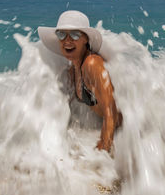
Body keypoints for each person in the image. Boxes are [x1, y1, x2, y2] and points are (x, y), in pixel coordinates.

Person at [38, 10, 122, 151]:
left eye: (75, 34)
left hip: (135, 132)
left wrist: (103, 146)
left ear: (86, 40)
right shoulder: (73, 70)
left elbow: (111, 111)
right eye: (62, 34)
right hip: (119, 132)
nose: (67, 40)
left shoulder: (92, 64)